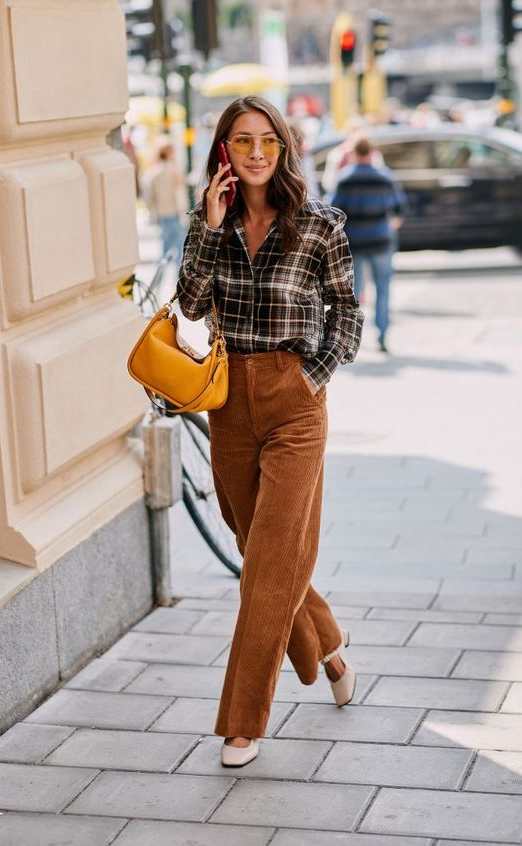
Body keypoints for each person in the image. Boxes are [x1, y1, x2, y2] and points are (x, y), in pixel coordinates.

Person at [177, 96, 364, 768]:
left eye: (268, 142)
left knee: (268, 563)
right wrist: (207, 225)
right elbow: (192, 306)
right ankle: (329, 648)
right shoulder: (213, 225)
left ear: (283, 150)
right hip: (228, 404)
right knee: (263, 554)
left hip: (293, 403)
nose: (256, 154)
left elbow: (347, 314)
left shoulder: (319, 227)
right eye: (242, 141)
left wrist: (311, 376)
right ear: (224, 151)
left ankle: (241, 723)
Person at [332, 136, 405, 353]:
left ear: (354, 153)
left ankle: (348, 341)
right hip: (381, 241)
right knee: (383, 289)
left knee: (353, 294)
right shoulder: (385, 177)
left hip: (354, 242)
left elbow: (335, 210)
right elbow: (400, 208)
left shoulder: (345, 179)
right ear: (372, 153)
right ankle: (382, 336)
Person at [146, 138, 187, 268]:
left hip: (162, 216)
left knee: (164, 254)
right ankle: (178, 285)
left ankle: (158, 284)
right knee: (180, 254)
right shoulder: (174, 170)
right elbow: (180, 194)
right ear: (168, 152)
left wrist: (153, 213)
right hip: (175, 215)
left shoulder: (153, 172)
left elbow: (149, 197)